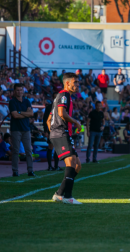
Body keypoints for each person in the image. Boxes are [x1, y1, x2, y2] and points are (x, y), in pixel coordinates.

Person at [47, 72, 83, 205]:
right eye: (75, 82)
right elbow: (62, 114)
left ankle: (59, 194)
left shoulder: (60, 97)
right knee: (71, 163)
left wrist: (53, 133)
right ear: (67, 83)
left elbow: (49, 119)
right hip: (61, 132)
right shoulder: (64, 95)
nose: (77, 85)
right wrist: (76, 122)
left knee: (77, 166)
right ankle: (68, 197)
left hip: (61, 133)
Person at [8, 83, 35, 177]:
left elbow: (31, 114)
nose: (19, 92)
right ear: (14, 91)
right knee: (16, 150)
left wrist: (19, 112)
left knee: (28, 150)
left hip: (26, 129)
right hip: (16, 129)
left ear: (23, 91)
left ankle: (30, 170)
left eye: (21, 90)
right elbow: (14, 115)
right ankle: (15, 171)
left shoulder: (27, 101)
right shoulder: (12, 102)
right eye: (17, 90)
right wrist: (25, 113)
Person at [43, 93, 61, 171]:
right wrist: (45, 130)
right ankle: (50, 166)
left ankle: (56, 166)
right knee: (51, 147)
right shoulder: (49, 107)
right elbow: (45, 120)